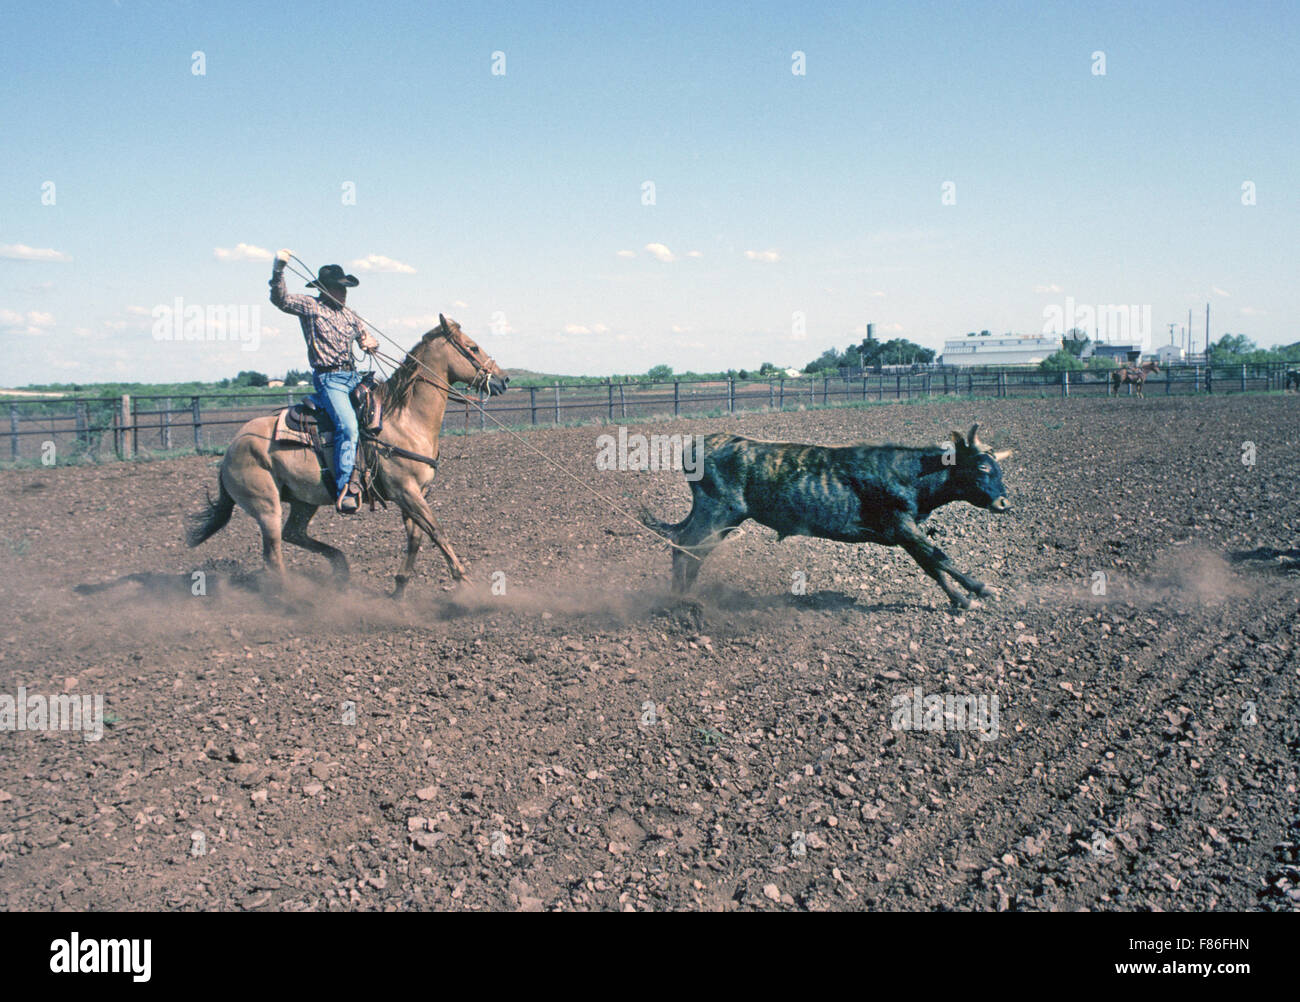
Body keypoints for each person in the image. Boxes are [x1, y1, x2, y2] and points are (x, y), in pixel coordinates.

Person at [269, 249, 380, 513]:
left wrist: (369, 342)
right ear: (326, 289)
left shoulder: (350, 314)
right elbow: (280, 299)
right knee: (349, 427)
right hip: (329, 379)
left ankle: (381, 476)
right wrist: (278, 270)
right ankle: (346, 487)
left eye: (345, 289)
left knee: (381, 418)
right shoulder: (311, 306)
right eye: (339, 289)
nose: (344, 294)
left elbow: (365, 336)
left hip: (353, 376)